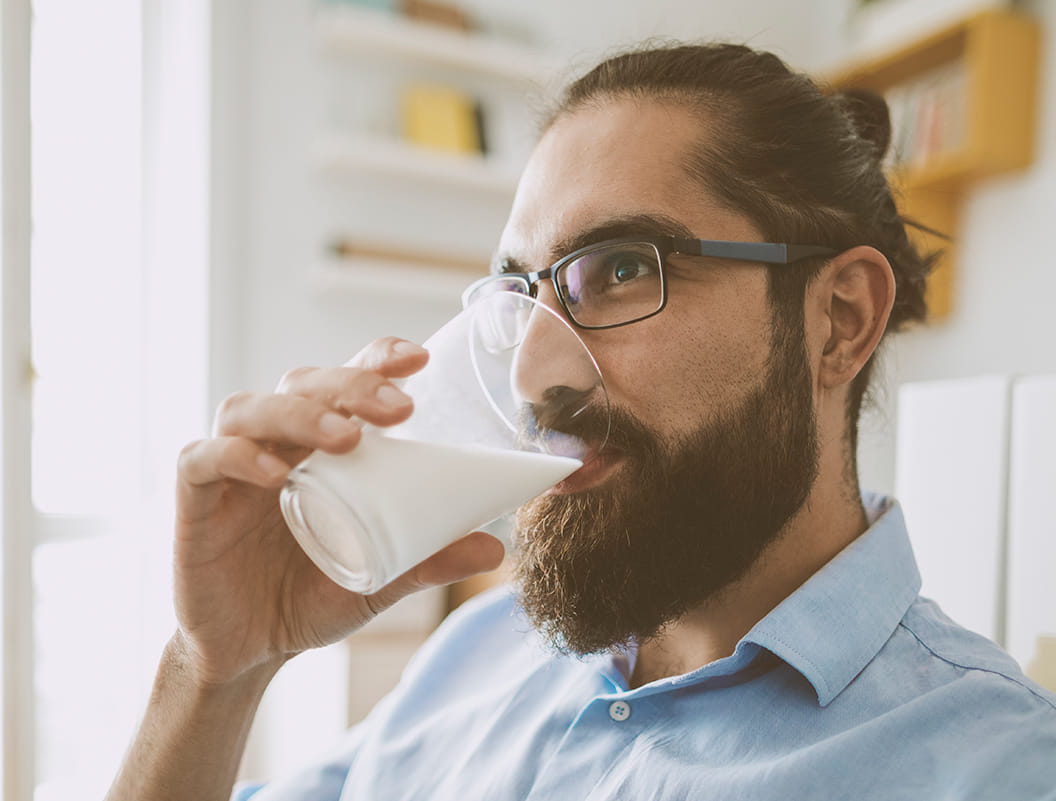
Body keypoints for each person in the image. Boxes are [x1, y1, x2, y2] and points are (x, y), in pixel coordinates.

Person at [105, 43, 1056, 801]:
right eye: (521, 294)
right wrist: (213, 671)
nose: (530, 372)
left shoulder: (996, 769)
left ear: (838, 319)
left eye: (623, 269)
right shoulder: (476, 658)